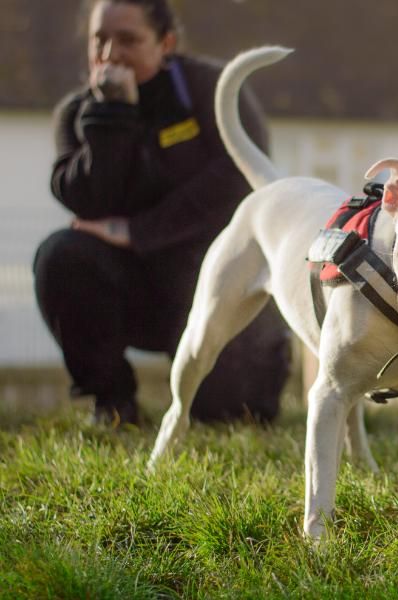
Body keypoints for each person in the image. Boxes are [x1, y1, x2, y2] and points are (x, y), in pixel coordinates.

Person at [33, 0, 290, 425]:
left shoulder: (213, 90)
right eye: (100, 40)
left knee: (231, 415)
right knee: (60, 255)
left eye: (128, 40)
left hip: (212, 286)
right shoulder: (79, 114)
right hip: (132, 290)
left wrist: (138, 231)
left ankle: (247, 381)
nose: (110, 54)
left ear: (166, 42)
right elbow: (83, 200)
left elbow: (241, 177)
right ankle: (113, 403)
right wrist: (112, 116)